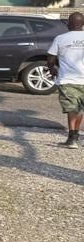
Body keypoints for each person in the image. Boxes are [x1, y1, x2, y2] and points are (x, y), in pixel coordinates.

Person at [47, 11, 84, 149]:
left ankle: (72, 139)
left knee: (72, 108)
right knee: (79, 109)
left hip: (67, 79)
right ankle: (75, 136)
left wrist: (52, 69)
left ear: (68, 24)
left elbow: (50, 59)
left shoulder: (60, 38)